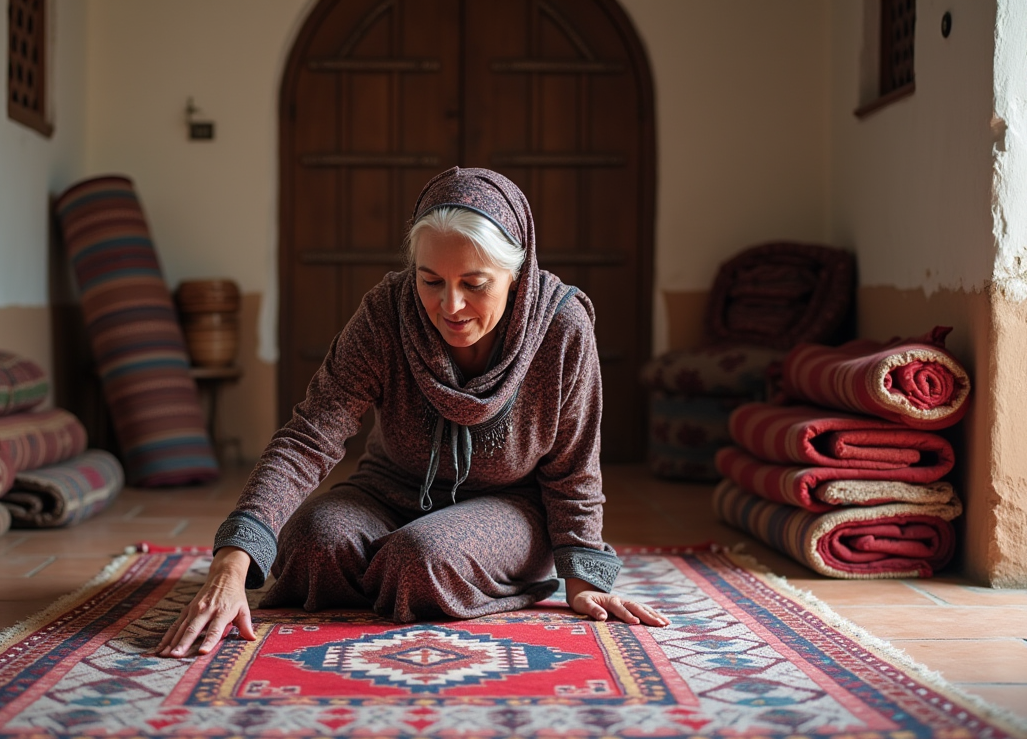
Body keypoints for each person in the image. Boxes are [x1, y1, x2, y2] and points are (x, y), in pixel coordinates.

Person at [157, 167, 669, 658]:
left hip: (512, 504)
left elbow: (574, 467)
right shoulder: (386, 313)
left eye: (474, 284)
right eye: (430, 281)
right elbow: (311, 435)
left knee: (419, 559)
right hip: (389, 490)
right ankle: (394, 572)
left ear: (516, 275)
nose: (451, 306)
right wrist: (231, 561)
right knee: (311, 543)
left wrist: (581, 582)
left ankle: (410, 570)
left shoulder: (563, 327)